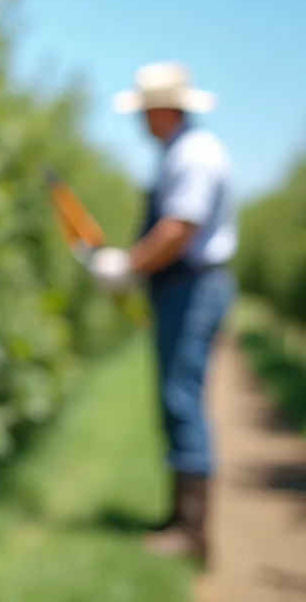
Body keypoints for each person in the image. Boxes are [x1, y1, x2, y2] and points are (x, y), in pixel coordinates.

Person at [79, 61, 236, 565]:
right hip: (181, 288)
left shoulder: (194, 155)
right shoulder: (181, 152)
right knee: (177, 398)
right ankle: (180, 521)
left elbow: (178, 229)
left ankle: (192, 532)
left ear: (165, 110)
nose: (140, 121)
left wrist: (127, 267)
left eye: (144, 111)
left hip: (192, 288)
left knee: (181, 398)